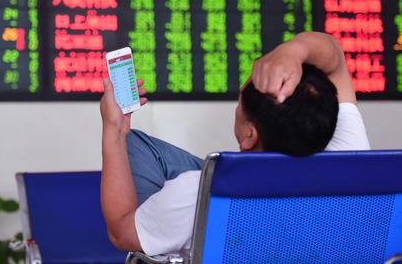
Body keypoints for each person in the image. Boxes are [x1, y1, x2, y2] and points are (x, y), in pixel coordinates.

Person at [99, 32, 370, 255]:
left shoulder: (201, 193)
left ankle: (160, 228)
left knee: (132, 144)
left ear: (249, 136)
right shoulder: (350, 152)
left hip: (190, 210)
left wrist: (114, 129)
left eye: (240, 102)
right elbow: (334, 59)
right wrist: (294, 51)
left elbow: (121, 232)